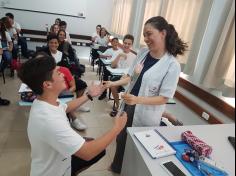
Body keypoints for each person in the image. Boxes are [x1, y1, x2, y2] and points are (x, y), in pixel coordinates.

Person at [17, 53, 127, 176]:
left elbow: (65, 107)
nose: (63, 74)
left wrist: (89, 95)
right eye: (58, 73)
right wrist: (117, 129)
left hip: (61, 161)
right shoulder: (49, 121)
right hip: (52, 171)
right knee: (94, 149)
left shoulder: (44, 100)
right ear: (47, 84)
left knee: (96, 147)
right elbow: (88, 153)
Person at [104, 16, 188, 173]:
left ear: (163, 33)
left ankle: (130, 170)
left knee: (138, 146)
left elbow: (164, 98)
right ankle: (117, 167)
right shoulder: (143, 53)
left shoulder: (172, 65)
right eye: (144, 35)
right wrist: (112, 84)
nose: (146, 38)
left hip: (146, 113)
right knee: (121, 138)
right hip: (128, 106)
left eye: (149, 34)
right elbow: (131, 77)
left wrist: (137, 100)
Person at [99, 35, 136, 103]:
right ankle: (117, 105)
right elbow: (112, 66)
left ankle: (125, 105)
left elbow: (135, 71)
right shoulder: (117, 52)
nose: (126, 45)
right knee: (113, 85)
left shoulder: (134, 57)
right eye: (125, 43)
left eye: (129, 44)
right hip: (118, 76)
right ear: (123, 43)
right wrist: (119, 56)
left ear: (132, 45)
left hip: (128, 77)